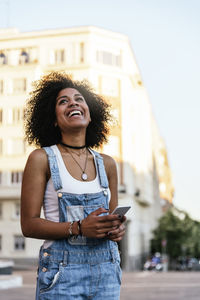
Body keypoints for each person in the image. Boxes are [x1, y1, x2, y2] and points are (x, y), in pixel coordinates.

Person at [21, 72, 126, 299]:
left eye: (79, 99)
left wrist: (116, 230)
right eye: (63, 101)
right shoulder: (42, 158)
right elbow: (28, 226)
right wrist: (77, 227)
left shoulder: (108, 164)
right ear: (54, 119)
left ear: (90, 114)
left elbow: (112, 221)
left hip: (106, 271)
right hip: (61, 274)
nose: (73, 103)